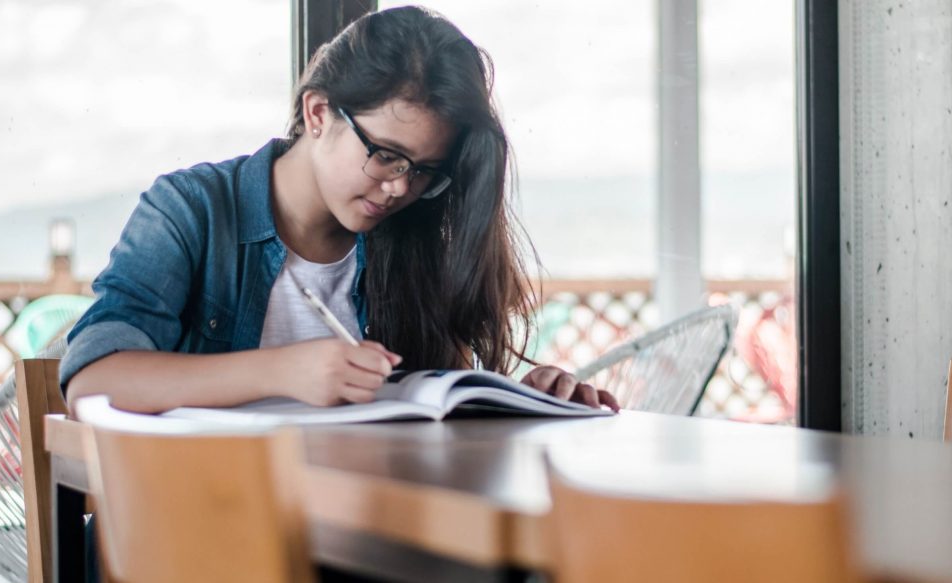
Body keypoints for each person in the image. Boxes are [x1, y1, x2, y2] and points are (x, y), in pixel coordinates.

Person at [62, 5, 619, 414]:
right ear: (319, 112)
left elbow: (437, 413)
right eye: (386, 156)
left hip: (350, 527)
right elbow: (94, 379)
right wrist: (282, 370)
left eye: (424, 170)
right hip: (191, 526)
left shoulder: (411, 238)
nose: (401, 188)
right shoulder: (192, 210)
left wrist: (528, 399)